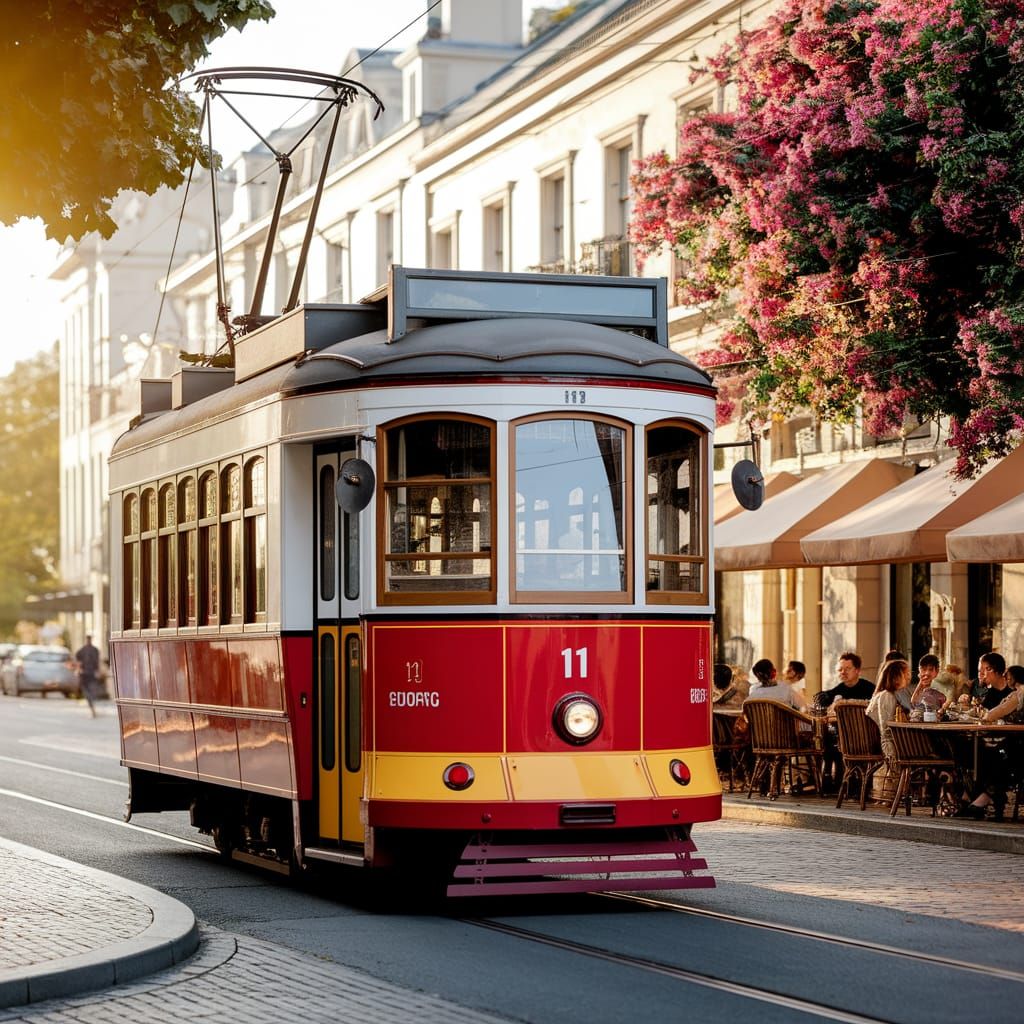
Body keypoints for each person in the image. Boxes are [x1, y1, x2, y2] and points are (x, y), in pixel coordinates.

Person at [816, 652, 875, 792]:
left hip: (865, 737)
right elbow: (823, 701)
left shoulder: (870, 689)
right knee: (825, 737)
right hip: (842, 738)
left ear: (857, 670)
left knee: (832, 739)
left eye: (847, 669)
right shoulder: (838, 689)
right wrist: (822, 697)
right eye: (840, 669)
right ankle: (831, 780)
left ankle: (844, 781)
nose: (843, 672)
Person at [867, 659, 911, 760]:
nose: (909, 677)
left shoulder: (897, 695)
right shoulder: (887, 696)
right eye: (906, 673)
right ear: (896, 676)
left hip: (895, 741)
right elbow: (886, 730)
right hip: (888, 746)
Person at [74, 635, 102, 718]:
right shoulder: (82, 651)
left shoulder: (95, 650)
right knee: (86, 691)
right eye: (87, 639)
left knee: (91, 691)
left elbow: (97, 662)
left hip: (91, 673)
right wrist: (78, 669)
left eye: (89, 639)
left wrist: (98, 671)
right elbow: (78, 661)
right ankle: (92, 708)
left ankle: (92, 707)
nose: (88, 641)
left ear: (90, 640)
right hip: (84, 674)